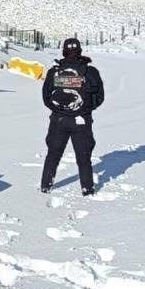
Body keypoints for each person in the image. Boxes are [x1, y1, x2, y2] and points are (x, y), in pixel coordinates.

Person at [40, 37, 105, 195]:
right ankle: (87, 190)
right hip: (81, 121)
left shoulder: (54, 72)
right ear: (79, 51)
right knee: (83, 158)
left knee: (53, 155)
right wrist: (84, 110)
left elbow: (46, 97)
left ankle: (45, 187)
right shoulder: (90, 72)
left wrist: (59, 111)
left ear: (64, 51)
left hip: (58, 120)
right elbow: (99, 97)